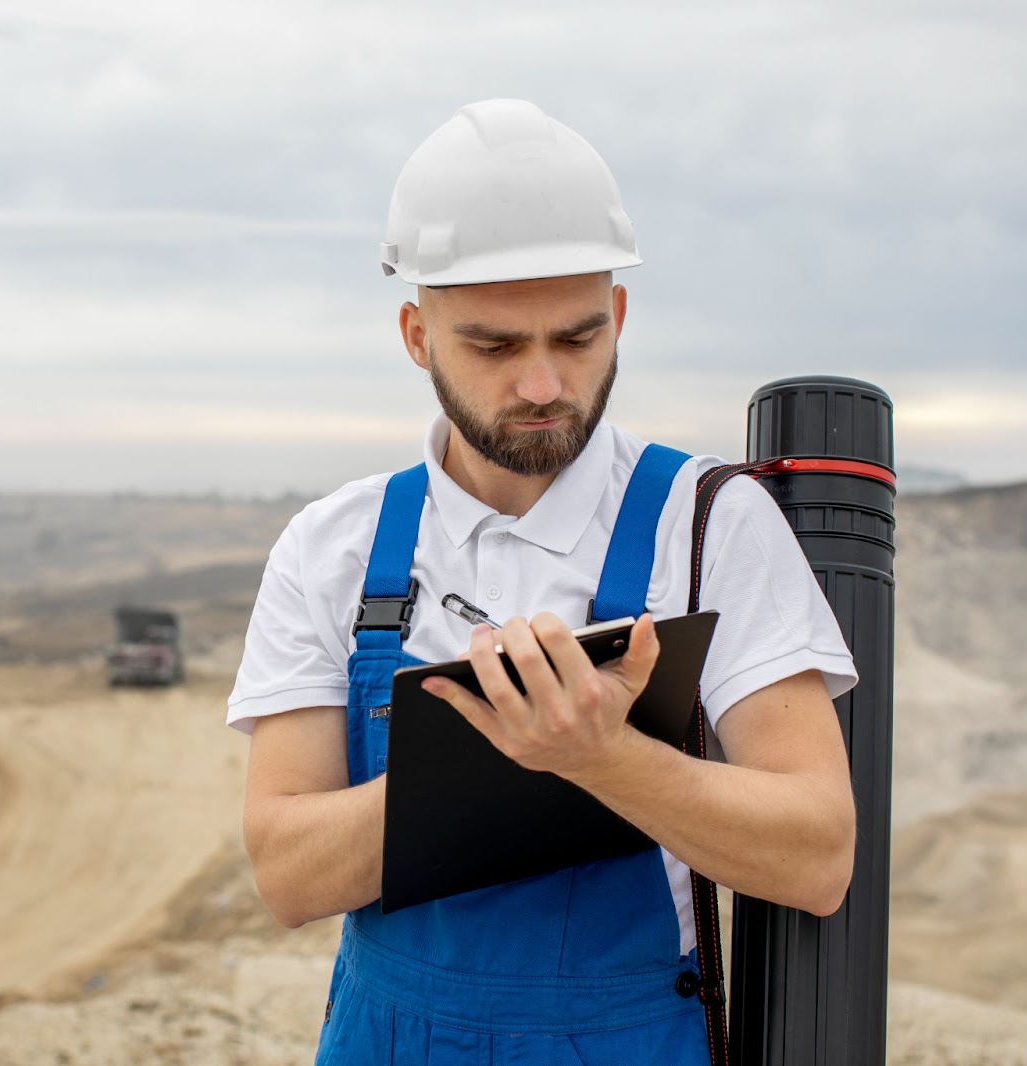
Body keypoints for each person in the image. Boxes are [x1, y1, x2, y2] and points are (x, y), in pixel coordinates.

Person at [227, 99, 858, 1064]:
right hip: (388, 1039)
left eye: (575, 339)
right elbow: (288, 874)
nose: (541, 386)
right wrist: (499, 755)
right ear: (414, 332)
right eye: (494, 345)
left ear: (618, 315)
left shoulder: (710, 524)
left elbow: (818, 854)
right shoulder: (333, 548)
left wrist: (606, 757)